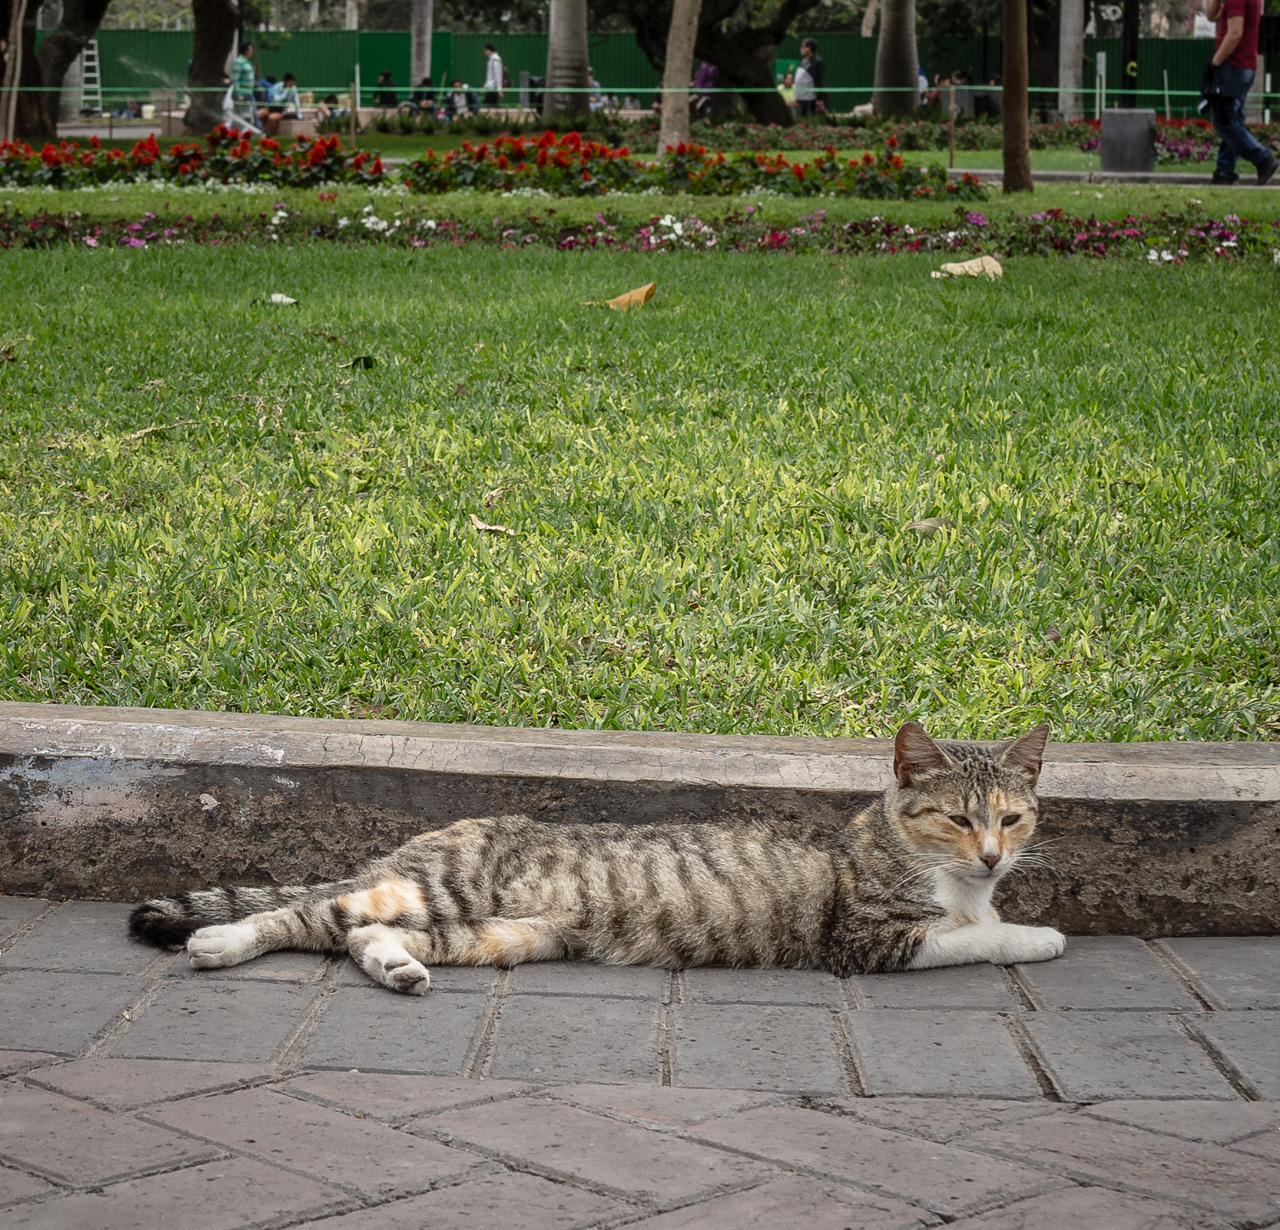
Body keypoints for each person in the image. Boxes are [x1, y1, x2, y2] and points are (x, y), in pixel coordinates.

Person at [1206, 0, 1278, 184]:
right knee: (1233, 119)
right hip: (1245, 66)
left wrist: (1215, 62)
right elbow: (1212, 15)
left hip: (1234, 66)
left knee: (1223, 120)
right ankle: (1224, 171)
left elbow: (1235, 34)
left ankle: (1263, 159)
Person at [798, 38, 826, 115]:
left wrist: (819, 98)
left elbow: (818, 80)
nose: (801, 49)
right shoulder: (803, 62)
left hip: (811, 97)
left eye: (803, 47)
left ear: (809, 48)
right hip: (802, 96)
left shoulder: (817, 62)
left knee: (811, 118)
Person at [232, 41, 256, 127]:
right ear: (247, 50)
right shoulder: (239, 62)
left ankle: (257, 133)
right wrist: (239, 94)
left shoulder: (246, 62)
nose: (252, 51)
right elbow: (235, 79)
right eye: (251, 49)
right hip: (242, 93)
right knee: (241, 116)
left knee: (252, 115)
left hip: (249, 92)